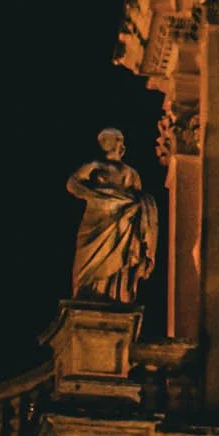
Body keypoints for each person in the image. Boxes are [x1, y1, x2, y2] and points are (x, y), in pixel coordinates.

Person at [66, 128, 157, 306]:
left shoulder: (130, 172)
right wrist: (94, 192)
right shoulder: (95, 166)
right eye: (106, 140)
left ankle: (114, 295)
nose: (108, 143)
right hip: (96, 220)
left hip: (121, 222)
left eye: (114, 139)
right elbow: (72, 184)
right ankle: (86, 294)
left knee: (119, 260)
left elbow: (139, 199)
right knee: (85, 265)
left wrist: (135, 203)